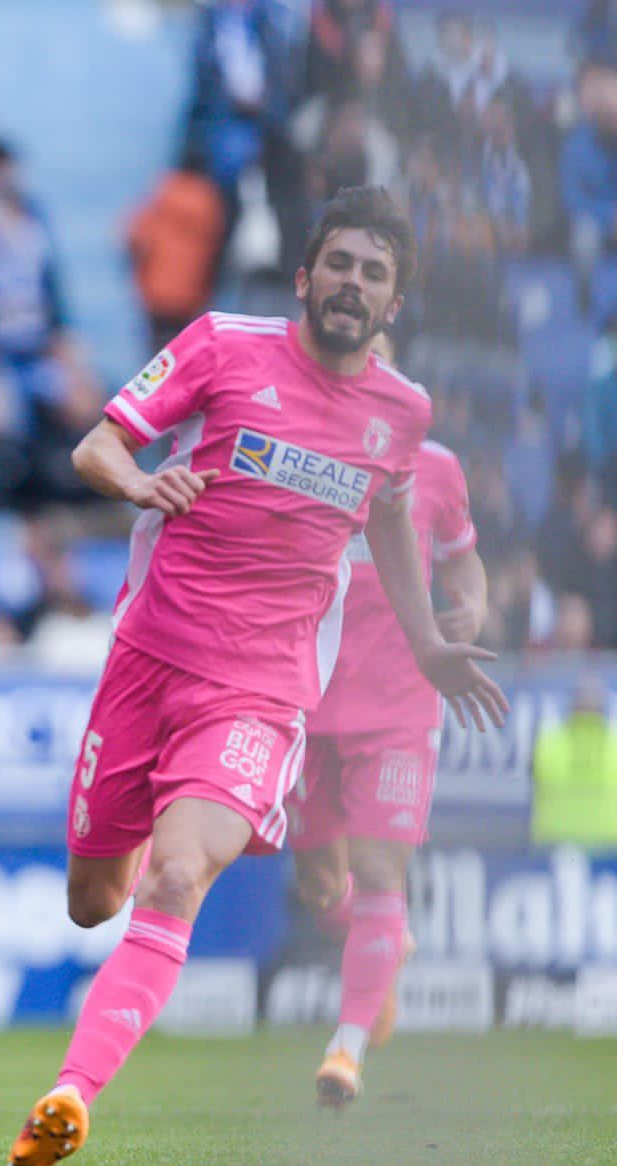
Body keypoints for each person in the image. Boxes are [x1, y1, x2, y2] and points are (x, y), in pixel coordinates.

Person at [7, 187, 508, 1166]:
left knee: (178, 875)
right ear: (303, 276)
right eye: (339, 264)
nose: (351, 284)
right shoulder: (220, 345)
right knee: (88, 899)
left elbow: (389, 525)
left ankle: (66, 1095)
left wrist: (426, 641)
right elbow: (95, 443)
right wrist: (141, 479)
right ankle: (154, 818)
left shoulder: (399, 414)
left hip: (260, 689)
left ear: (390, 302)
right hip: (145, 661)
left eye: (372, 272)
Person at [288, 334, 487, 1108]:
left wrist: (466, 603)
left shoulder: (434, 467)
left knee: (378, 873)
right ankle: (385, 943)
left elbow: (464, 554)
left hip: (400, 705)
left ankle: (346, 1048)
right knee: (318, 883)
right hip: (306, 696)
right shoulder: (295, 461)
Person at [531, 677, 617, 851]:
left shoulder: (549, 743)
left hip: (555, 844)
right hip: (607, 846)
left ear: (572, 708)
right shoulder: (613, 745)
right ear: (603, 709)